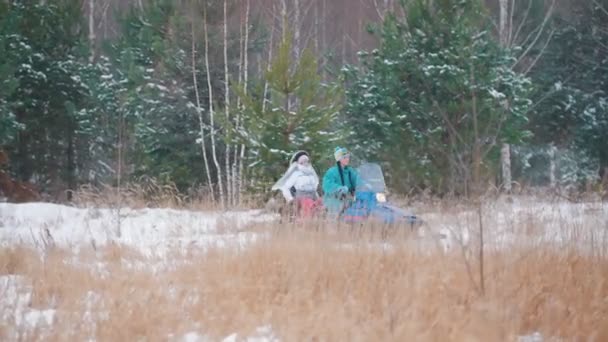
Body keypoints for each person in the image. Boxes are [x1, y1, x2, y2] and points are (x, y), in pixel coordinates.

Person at [271, 151, 321, 219]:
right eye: (303, 161)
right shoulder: (296, 173)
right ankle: (307, 224)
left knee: (321, 205)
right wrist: (290, 199)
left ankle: (320, 224)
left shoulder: (311, 173)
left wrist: (317, 197)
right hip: (302, 197)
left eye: (306, 160)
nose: (305, 163)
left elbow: (314, 187)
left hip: (313, 196)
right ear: (298, 162)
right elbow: (285, 187)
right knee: (309, 207)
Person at [322, 146, 359, 216]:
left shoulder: (350, 171)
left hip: (348, 198)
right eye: (344, 157)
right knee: (337, 212)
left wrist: (366, 185)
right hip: (334, 199)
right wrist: (339, 188)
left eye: (348, 157)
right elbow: (326, 185)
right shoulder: (332, 171)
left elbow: (357, 180)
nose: (347, 159)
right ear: (339, 159)